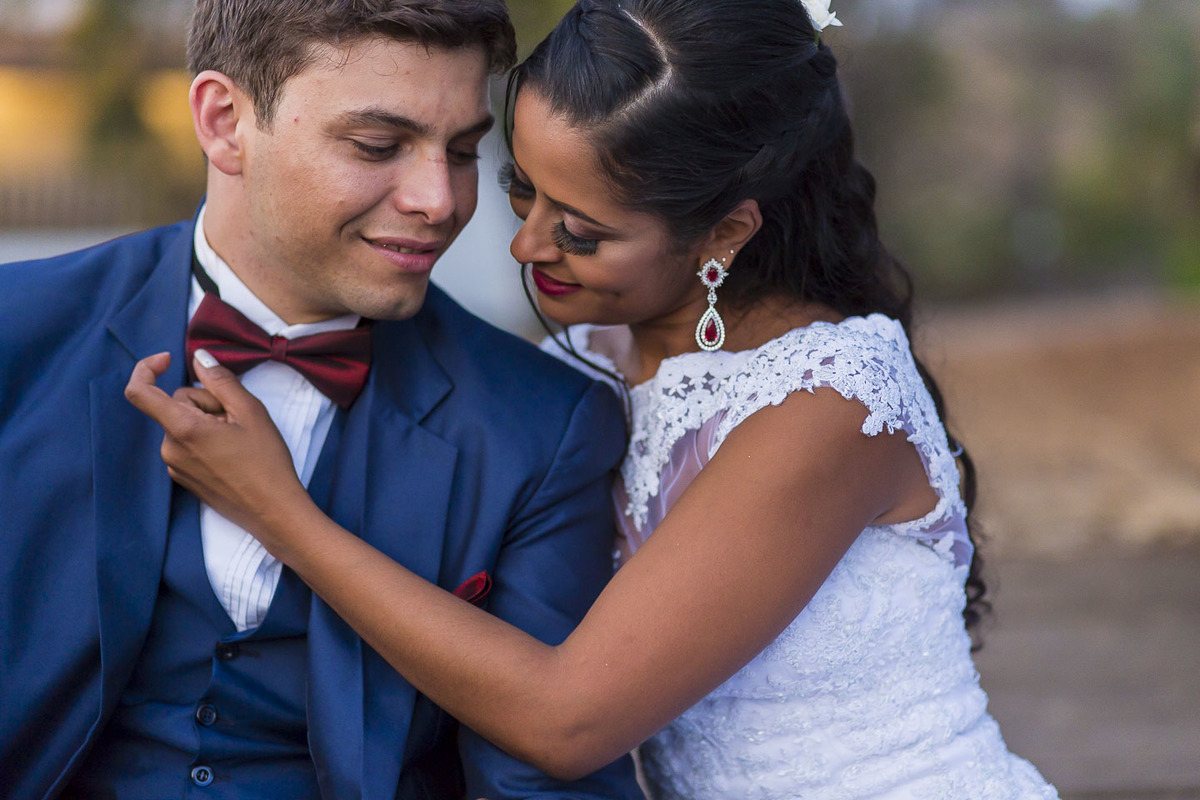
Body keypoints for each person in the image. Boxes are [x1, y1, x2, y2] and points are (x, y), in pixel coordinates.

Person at [127, 0, 1061, 798]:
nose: (524, 247)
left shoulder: (825, 403)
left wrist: (279, 510)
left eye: (578, 230)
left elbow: (568, 719)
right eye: (519, 190)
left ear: (724, 232)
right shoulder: (582, 362)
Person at [0, 1, 646, 798]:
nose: (439, 200)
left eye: (464, 150)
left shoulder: (542, 426)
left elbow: (546, 780)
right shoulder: (16, 333)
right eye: (380, 145)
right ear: (224, 120)